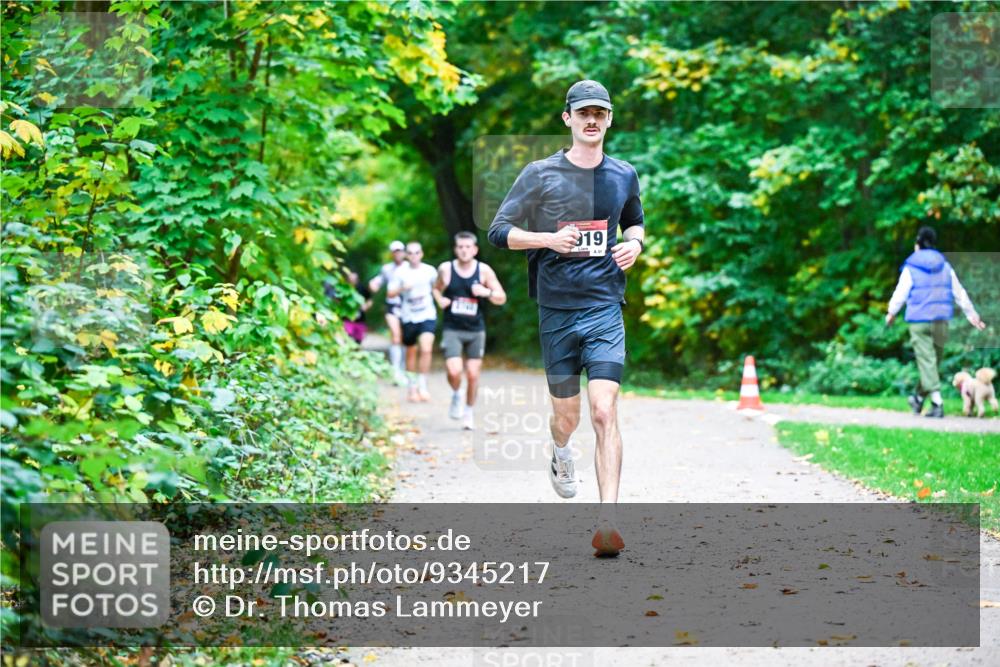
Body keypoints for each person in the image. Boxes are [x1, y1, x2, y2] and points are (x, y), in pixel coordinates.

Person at [487, 80, 645, 556]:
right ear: (568, 119)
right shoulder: (540, 174)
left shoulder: (623, 174)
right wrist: (547, 240)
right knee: (567, 419)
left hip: (604, 307)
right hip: (557, 311)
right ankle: (560, 451)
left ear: (609, 119)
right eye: (583, 113)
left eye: (599, 113)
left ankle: (608, 521)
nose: (591, 120)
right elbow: (498, 231)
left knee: (604, 410)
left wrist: (635, 244)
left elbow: (634, 220)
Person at [886, 226, 987, 418]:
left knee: (928, 362)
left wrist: (891, 313)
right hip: (941, 320)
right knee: (932, 363)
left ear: (918, 244)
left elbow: (901, 293)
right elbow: (959, 291)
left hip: (919, 321)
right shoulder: (945, 266)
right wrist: (971, 313)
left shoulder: (911, 267)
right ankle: (918, 398)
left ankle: (937, 403)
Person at [433, 231, 507, 430]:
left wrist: (486, 292)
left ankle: (468, 411)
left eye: (468, 247)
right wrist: (440, 300)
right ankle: (457, 393)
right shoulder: (446, 269)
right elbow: (436, 289)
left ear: (475, 250)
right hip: (452, 328)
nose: (464, 251)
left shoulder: (483, 271)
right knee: (454, 370)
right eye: (460, 247)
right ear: (455, 249)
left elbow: (501, 297)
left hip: (476, 329)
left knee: (473, 374)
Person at [387, 242, 439, 402]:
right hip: (408, 316)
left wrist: (441, 299)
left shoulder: (430, 270)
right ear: (406, 255)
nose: (414, 256)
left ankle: (422, 386)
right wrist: (402, 288)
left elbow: (437, 288)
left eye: (417, 252)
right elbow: (390, 293)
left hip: (427, 314)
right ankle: (412, 387)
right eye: (410, 253)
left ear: (421, 254)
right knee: (411, 352)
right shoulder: (400, 272)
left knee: (426, 349)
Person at [368, 241, 408, 384]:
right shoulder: (387, 269)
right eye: (395, 251)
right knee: (396, 336)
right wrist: (373, 284)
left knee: (406, 339)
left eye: (400, 251)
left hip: (408, 307)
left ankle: (403, 368)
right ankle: (396, 370)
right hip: (392, 305)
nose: (397, 254)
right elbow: (379, 281)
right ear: (392, 254)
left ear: (404, 252)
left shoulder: (409, 267)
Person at [324, 268, 371, 344]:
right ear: (347, 279)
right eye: (350, 279)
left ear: (357, 279)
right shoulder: (343, 288)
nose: (352, 281)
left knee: (358, 341)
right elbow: (336, 299)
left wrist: (365, 306)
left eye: (354, 279)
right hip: (346, 319)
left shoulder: (361, 288)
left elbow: (369, 300)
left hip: (360, 319)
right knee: (346, 338)